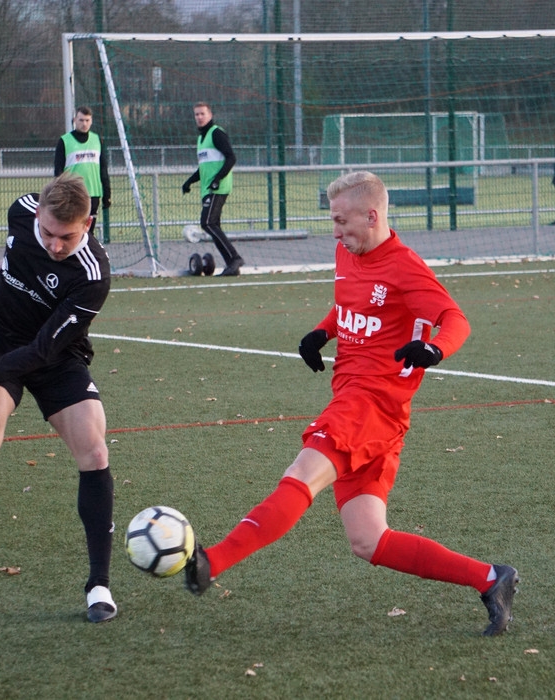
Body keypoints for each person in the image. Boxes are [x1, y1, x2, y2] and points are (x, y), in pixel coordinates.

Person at [182, 171, 519, 637]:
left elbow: (455, 319)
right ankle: (491, 579)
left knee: (301, 476)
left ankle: (211, 562)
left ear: (372, 215)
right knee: (369, 540)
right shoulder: (347, 250)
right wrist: (323, 331)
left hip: (371, 406)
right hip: (364, 407)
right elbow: (348, 304)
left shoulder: (404, 266)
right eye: (332, 221)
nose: (335, 231)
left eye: (342, 221)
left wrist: (436, 349)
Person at [0, 174, 118, 624]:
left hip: (54, 351)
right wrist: (7, 260)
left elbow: (40, 352)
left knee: (94, 450)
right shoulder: (20, 209)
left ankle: (98, 585)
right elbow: (18, 242)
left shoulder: (93, 275)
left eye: (68, 237)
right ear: (37, 214)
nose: (55, 245)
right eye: (48, 233)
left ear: (89, 224)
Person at [181, 102, 244, 276]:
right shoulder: (201, 139)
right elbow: (204, 168)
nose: (199, 117)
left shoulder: (216, 133)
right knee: (212, 224)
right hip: (208, 188)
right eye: (196, 114)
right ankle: (232, 264)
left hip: (218, 187)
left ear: (210, 115)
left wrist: (217, 180)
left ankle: (235, 258)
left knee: (207, 223)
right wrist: (189, 182)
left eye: (202, 114)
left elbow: (231, 158)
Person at [54, 106, 111, 236]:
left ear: (91, 121)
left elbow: (103, 168)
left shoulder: (97, 140)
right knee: (73, 230)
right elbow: (58, 171)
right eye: (81, 120)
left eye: (87, 120)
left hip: (93, 193)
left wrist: (107, 193)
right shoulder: (64, 141)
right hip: (72, 193)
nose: (84, 123)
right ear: (75, 120)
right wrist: (60, 193)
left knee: (88, 232)